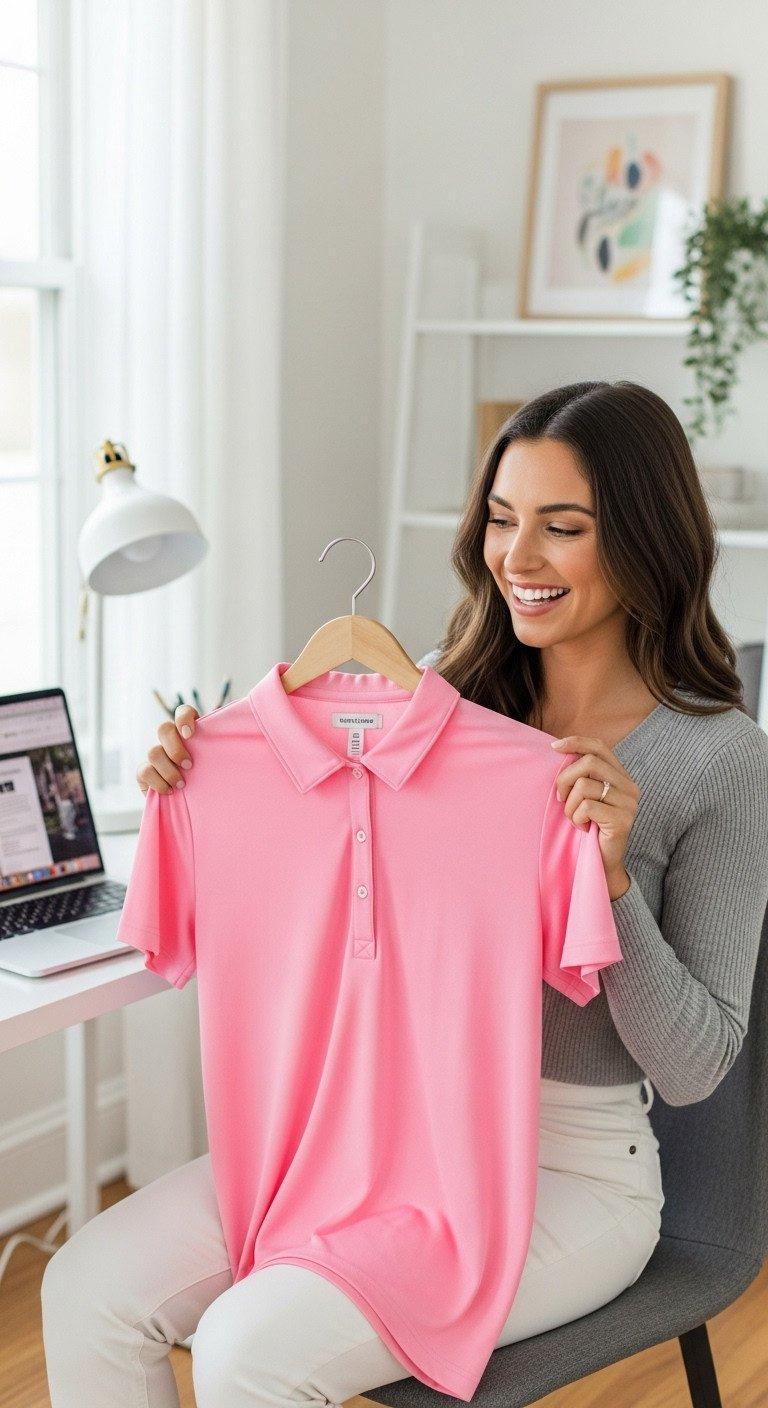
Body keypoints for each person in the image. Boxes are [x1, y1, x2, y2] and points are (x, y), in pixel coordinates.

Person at [42, 380, 768, 1408]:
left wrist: (608, 882)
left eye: (561, 527)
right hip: (368, 1131)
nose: (517, 558)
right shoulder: (437, 698)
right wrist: (195, 778)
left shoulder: (722, 761)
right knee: (87, 1289)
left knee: (249, 1347)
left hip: (573, 1172)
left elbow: (697, 1069)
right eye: (502, 521)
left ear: (648, 538)